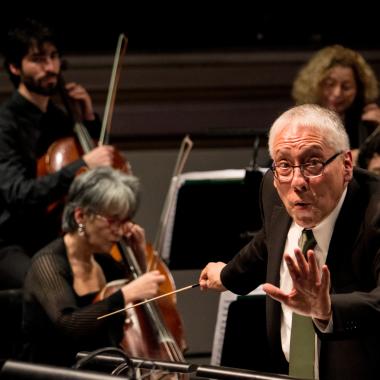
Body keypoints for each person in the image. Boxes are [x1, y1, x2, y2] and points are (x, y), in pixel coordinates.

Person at [199, 104, 380, 379]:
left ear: (346, 166)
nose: (297, 181)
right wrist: (226, 275)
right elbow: (268, 240)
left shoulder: (376, 211)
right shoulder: (274, 190)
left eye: (313, 163)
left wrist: (327, 310)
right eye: (284, 164)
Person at [0, 19, 121, 289]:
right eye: (38, 59)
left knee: (117, 277)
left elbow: (97, 177)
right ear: (15, 67)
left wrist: (88, 118)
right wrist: (81, 164)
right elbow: (18, 193)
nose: (51, 67)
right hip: (13, 243)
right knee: (48, 284)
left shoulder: (59, 119)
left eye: (54, 57)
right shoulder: (6, 124)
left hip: (56, 237)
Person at [22, 167, 165, 367]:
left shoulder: (105, 262)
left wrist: (138, 256)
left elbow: (137, 310)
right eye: (112, 221)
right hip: (56, 372)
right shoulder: (47, 263)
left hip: (99, 371)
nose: (119, 231)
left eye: (124, 221)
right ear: (80, 216)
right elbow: (69, 324)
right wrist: (124, 294)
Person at [291, 45, 380, 157]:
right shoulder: (300, 121)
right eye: (330, 84)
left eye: (346, 87)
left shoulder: (366, 122)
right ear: (315, 86)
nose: (337, 93)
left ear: (359, 89)